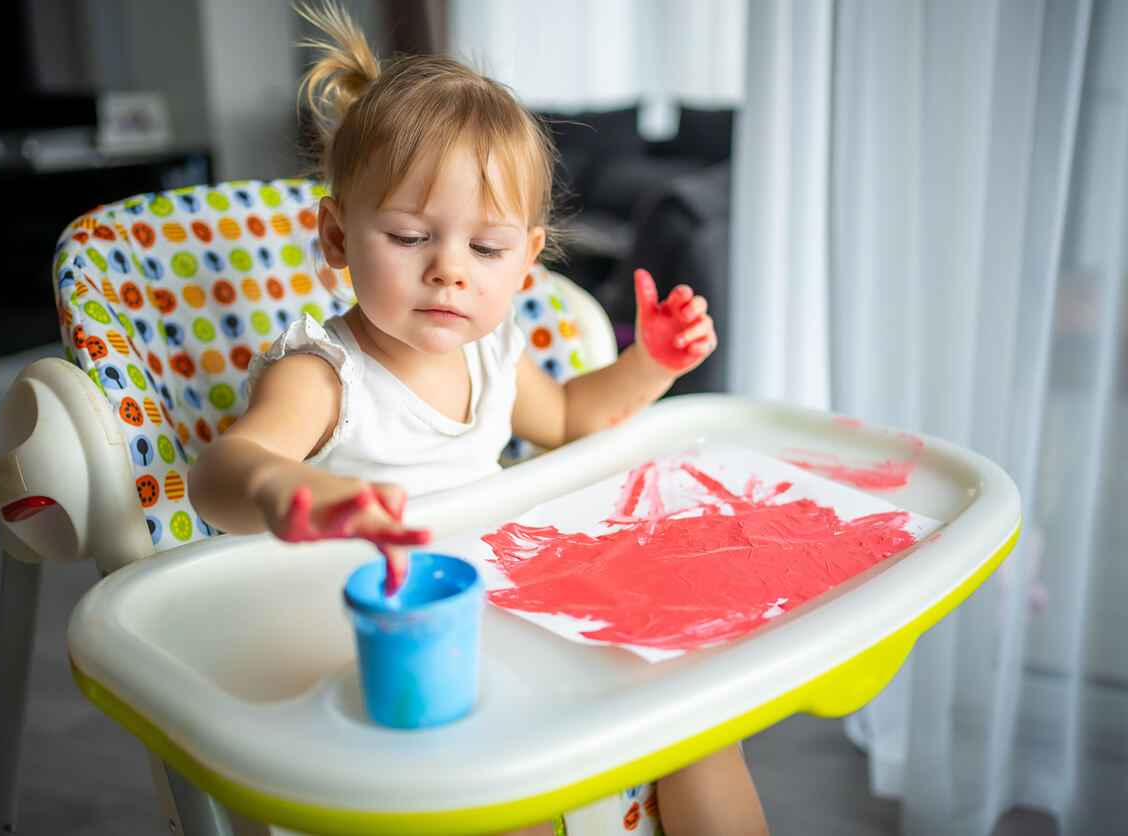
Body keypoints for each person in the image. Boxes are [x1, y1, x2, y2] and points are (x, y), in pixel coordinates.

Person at [188, 5, 767, 835]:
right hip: (390, 649)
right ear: (338, 235)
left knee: (703, 721)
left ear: (527, 259)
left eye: (486, 250)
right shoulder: (326, 376)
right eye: (410, 235)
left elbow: (570, 416)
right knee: (506, 800)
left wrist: (653, 364)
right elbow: (219, 475)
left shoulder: (493, 358)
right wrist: (289, 491)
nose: (449, 273)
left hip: (510, 603)